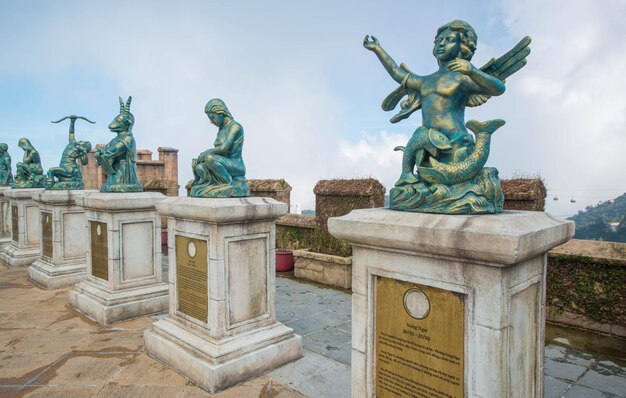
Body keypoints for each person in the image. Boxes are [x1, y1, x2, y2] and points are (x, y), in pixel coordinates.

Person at [364, 20, 506, 186]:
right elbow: (397, 73)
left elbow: (498, 88)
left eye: (450, 40)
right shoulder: (425, 82)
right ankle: (407, 175)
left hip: (455, 145)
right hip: (428, 146)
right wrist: (378, 49)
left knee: (455, 185)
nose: (442, 44)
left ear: (463, 47)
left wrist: (473, 71)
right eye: (439, 40)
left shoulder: (463, 79)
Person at [189, 98, 248, 197]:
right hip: (223, 163)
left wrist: (206, 153)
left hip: (236, 165)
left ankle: (226, 183)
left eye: (212, 118)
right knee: (199, 166)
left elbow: (224, 149)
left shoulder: (235, 127)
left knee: (209, 158)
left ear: (220, 113)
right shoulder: (221, 128)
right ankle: (210, 185)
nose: (211, 122)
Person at [47, 116, 92, 188]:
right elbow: (71, 132)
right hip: (62, 166)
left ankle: (50, 184)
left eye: (84, 142)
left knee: (51, 170)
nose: (81, 141)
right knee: (50, 172)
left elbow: (84, 162)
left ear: (84, 145)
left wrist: (84, 152)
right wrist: (72, 122)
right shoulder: (72, 143)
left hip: (69, 169)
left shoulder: (80, 149)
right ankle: (60, 181)